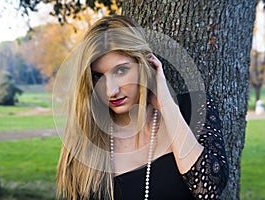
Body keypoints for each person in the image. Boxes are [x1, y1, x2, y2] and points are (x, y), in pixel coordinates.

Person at [54, 15, 229, 200]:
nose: (111, 90)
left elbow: (208, 189)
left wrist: (166, 104)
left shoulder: (193, 108)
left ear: (145, 64)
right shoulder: (88, 141)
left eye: (121, 71)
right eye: (98, 76)